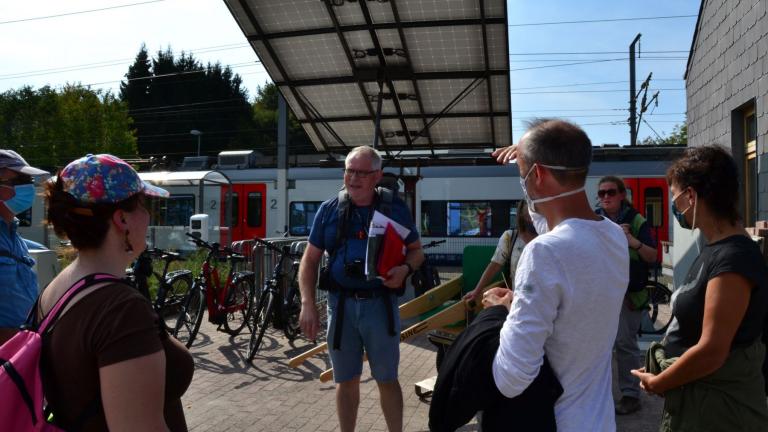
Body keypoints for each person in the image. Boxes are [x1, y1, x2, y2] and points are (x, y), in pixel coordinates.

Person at [484, 119, 629, 431]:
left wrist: (500, 311)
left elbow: (512, 378)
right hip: (599, 421)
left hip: (555, 421)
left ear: (537, 175)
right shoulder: (613, 236)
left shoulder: (544, 254)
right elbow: (553, 222)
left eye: (524, 173)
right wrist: (526, 160)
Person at [40, 154, 194, 431]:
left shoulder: (56, 290)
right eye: (143, 205)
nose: (148, 216)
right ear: (122, 219)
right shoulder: (122, 310)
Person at [632, 146, 768, 431]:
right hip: (700, 403)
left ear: (691, 196)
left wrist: (659, 382)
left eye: (676, 199)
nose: (676, 208)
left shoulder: (733, 258)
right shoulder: (717, 249)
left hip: (718, 413)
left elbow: (712, 351)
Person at [298, 145, 425, 432]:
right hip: (341, 306)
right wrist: (307, 303)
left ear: (377, 176)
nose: (353, 178)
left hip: (380, 305)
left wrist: (405, 268)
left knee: (387, 378)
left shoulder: (394, 208)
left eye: (361, 173)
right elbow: (309, 259)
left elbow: (417, 252)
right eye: (348, 171)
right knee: (345, 379)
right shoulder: (329, 210)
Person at [594, 175, 658, 415]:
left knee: (624, 343)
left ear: (622, 195)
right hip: (601, 294)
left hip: (629, 295)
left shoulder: (637, 221)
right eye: (602, 193)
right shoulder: (594, 220)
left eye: (611, 192)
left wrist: (632, 241)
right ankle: (597, 395)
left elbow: (652, 256)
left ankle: (631, 395)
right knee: (597, 345)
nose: (606, 197)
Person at [0, 149, 48, 345]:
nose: (27, 188)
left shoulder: (15, 239)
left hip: (18, 362)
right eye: (19, 180)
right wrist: (27, 343)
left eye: (29, 181)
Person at [464, 200, 537, 302]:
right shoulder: (510, 237)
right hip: (518, 301)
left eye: (536, 213)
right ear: (521, 214)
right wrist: (476, 291)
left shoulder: (548, 237)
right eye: (529, 214)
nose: (532, 218)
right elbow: (494, 265)